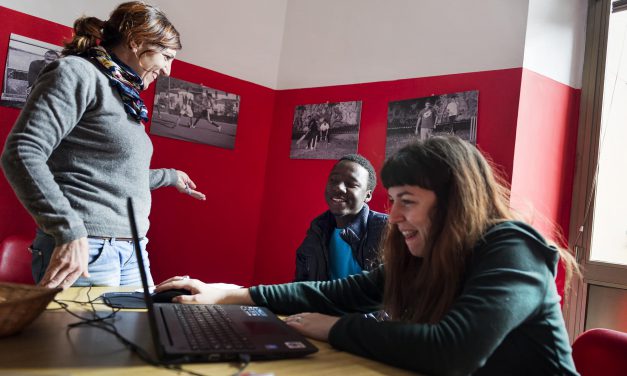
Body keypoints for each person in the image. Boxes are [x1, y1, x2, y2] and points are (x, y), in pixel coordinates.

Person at [156, 136, 580, 375]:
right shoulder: (424, 249)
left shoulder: (512, 247)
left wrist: (336, 329)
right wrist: (232, 294)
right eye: (392, 200)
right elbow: (341, 292)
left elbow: (453, 351)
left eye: (407, 201)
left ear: (455, 201)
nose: (393, 216)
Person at [1, 1, 206, 289]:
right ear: (136, 42)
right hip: (88, 247)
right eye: (167, 56)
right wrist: (68, 230)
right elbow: (21, 152)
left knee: (142, 334)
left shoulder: (122, 93)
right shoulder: (76, 73)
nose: (168, 70)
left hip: (132, 250)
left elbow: (114, 176)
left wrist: (171, 176)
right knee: (82, 336)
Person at [294, 154, 387, 281]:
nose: (339, 187)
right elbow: (300, 289)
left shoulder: (386, 230)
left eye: (351, 184)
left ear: (368, 195)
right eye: (333, 180)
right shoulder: (315, 234)